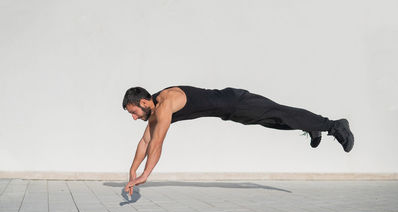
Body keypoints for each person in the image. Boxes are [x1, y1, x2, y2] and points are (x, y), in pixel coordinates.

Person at [122, 86, 354, 195]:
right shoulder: (154, 111)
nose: (134, 118)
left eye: (134, 112)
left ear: (144, 103)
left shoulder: (165, 104)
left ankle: (335, 126)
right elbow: (145, 142)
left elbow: (157, 143)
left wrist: (145, 175)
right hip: (231, 111)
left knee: (280, 113)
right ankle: (310, 126)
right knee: (274, 120)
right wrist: (133, 172)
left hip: (236, 102)